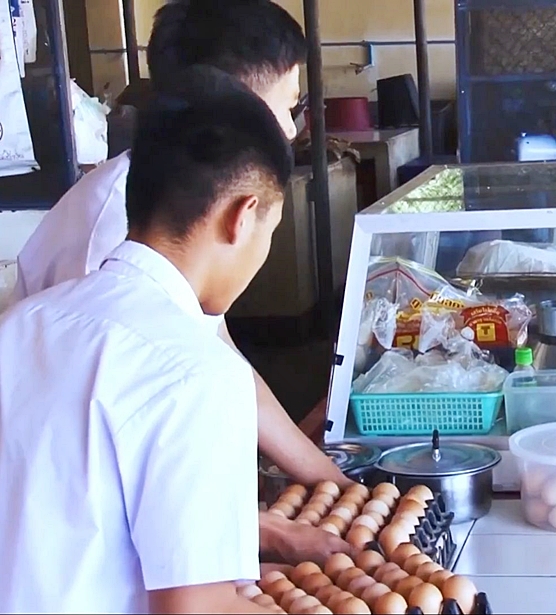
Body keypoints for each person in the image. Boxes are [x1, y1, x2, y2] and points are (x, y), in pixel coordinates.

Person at [12, 0, 352, 563]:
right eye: (288, 104)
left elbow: (220, 360)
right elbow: (93, 469)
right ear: (230, 98)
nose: (291, 128)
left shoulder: (169, 211)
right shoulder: (115, 231)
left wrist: (327, 478)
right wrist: (260, 531)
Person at [0, 68, 297, 613]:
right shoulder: (199, 374)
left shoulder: (21, 324)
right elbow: (197, 608)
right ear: (242, 216)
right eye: (271, 232)